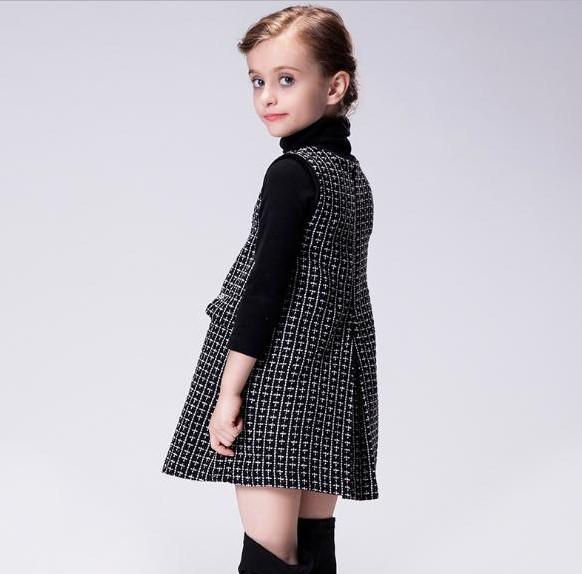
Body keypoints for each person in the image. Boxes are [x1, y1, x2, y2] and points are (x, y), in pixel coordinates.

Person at [162, 5, 379, 573]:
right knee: (313, 546)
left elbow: (265, 291)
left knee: (270, 556)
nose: (267, 97)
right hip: (333, 383)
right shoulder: (352, 179)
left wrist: (229, 393)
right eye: (257, 81)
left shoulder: (292, 173)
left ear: (334, 86)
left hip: (277, 383)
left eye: (286, 79)